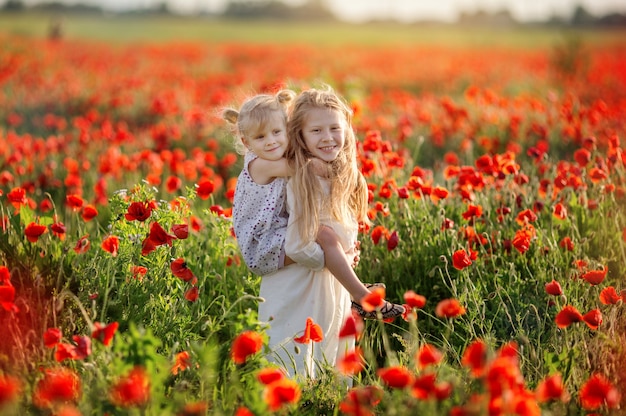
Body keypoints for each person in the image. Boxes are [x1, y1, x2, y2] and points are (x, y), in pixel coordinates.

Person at [226, 88, 404, 378]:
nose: (271, 141)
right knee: (324, 236)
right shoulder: (266, 164)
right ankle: (362, 295)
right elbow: (303, 169)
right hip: (264, 245)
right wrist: (335, 165)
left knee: (328, 241)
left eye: (276, 133)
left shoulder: (284, 163)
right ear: (246, 142)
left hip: (285, 250)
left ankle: (358, 293)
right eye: (261, 137)